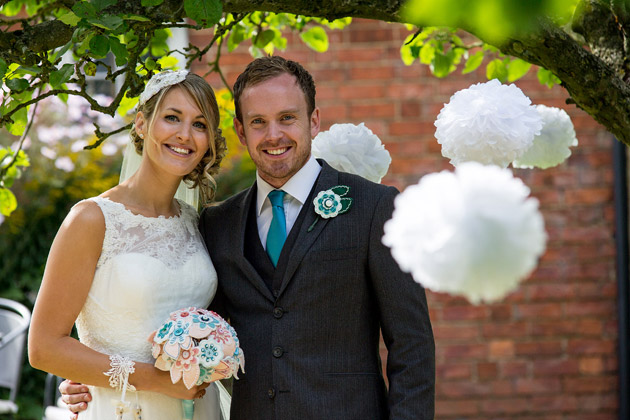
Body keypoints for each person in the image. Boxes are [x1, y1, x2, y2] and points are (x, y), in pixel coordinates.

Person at [62, 56, 435, 419]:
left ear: (314, 120)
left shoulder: (374, 207)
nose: (274, 135)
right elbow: (183, 320)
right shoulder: (216, 223)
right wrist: (91, 376)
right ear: (241, 131)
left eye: (287, 118)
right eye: (259, 122)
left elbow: (412, 347)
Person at [28, 70, 230, 419]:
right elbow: (44, 348)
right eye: (172, 118)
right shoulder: (92, 219)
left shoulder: (196, 223)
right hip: (122, 409)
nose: (185, 134)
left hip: (198, 409)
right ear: (140, 124)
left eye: (199, 124)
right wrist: (153, 379)